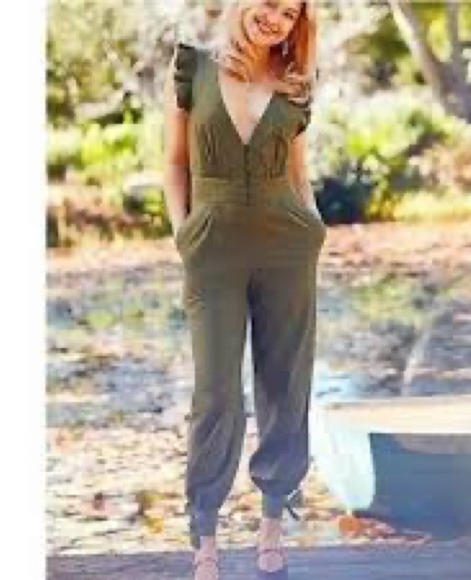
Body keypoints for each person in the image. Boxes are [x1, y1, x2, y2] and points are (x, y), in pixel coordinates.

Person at [163, 1, 325, 578]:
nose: (275, 17)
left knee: (285, 382)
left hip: (288, 246)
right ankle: (204, 533)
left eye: (290, 13)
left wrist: (313, 226)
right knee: (216, 392)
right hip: (213, 248)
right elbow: (175, 164)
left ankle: (273, 522)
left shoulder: (295, 83)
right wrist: (184, 234)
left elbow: (298, 172)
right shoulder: (194, 69)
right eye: (270, 3)